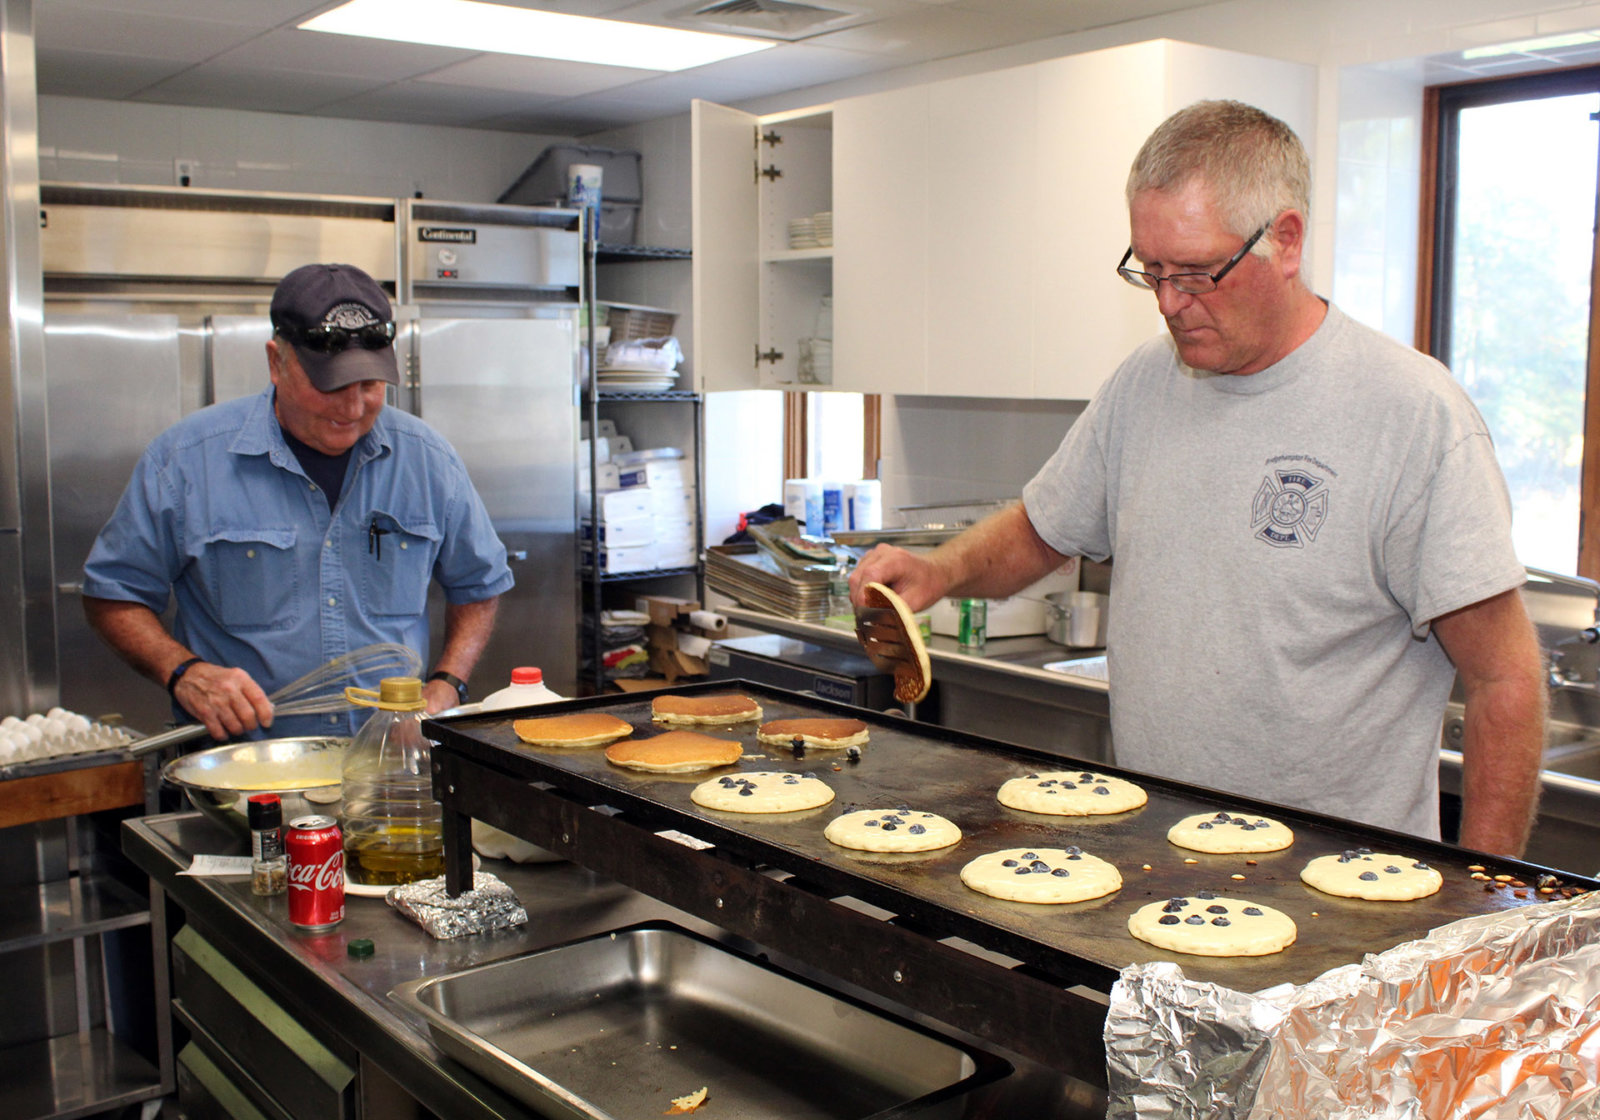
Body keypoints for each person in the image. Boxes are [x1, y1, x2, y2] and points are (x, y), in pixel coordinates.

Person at [851, 100, 1546, 858]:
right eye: (1149, 271)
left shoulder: (1412, 416)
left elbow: (1505, 681)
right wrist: (937, 571)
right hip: (1150, 862)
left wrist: (1484, 901)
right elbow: (1040, 529)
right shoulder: (1145, 385)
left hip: (1344, 896)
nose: (1170, 304)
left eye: (1195, 273)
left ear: (1285, 240)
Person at [81, 262, 513, 741]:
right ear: (276, 362)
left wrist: (447, 682)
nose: (352, 409)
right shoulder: (184, 462)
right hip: (244, 770)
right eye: (331, 386)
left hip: (387, 766)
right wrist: (184, 672)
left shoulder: (429, 460)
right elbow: (113, 594)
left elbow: (480, 584)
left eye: (370, 386)